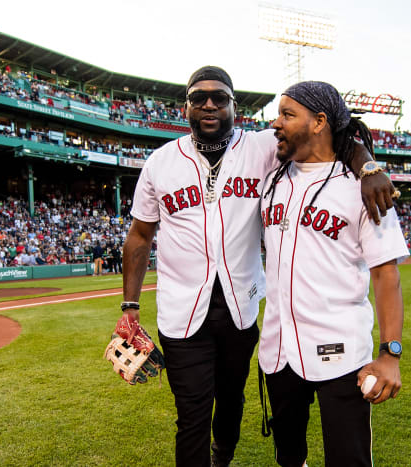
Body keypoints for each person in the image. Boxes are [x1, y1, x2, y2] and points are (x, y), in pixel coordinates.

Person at [121, 66, 396, 467]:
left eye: (220, 98)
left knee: (231, 400)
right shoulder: (160, 163)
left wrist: (368, 166)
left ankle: (224, 451)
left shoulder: (263, 145)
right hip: (180, 311)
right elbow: (139, 235)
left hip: (240, 309)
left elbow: (333, 134)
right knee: (191, 413)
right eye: (199, 98)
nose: (210, 104)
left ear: (235, 107)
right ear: (186, 107)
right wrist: (129, 308)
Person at [258, 81, 408, 467]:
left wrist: (390, 354)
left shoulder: (364, 189)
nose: (276, 123)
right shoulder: (273, 178)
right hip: (278, 349)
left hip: (341, 352)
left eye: (288, 114)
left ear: (320, 121)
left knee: (348, 459)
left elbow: (386, 276)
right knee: (289, 457)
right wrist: (366, 159)